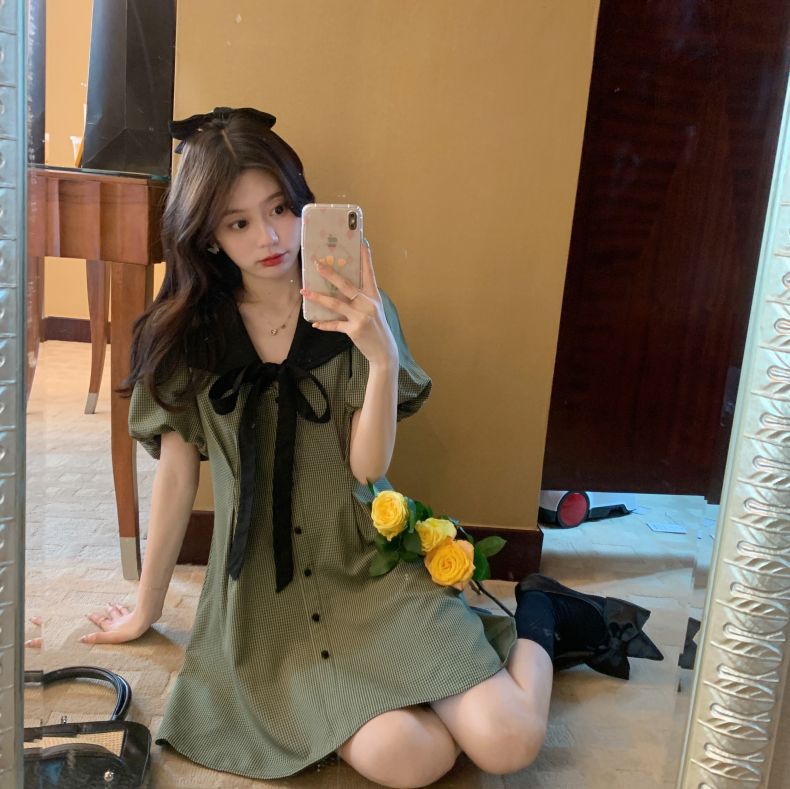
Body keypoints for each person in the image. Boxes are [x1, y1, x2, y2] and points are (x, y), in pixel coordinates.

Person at [82, 107, 662, 788]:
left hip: (369, 565)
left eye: (280, 209)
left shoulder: (356, 311)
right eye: (238, 223)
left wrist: (380, 357)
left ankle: (541, 609)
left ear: (305, 206)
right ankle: (418, 686)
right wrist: (147, 607)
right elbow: (177, 479)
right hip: (263, 605)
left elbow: (367, 468)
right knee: (408, 760)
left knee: (506, 743)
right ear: (206, 235)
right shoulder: (189, 337)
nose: (269, 237)